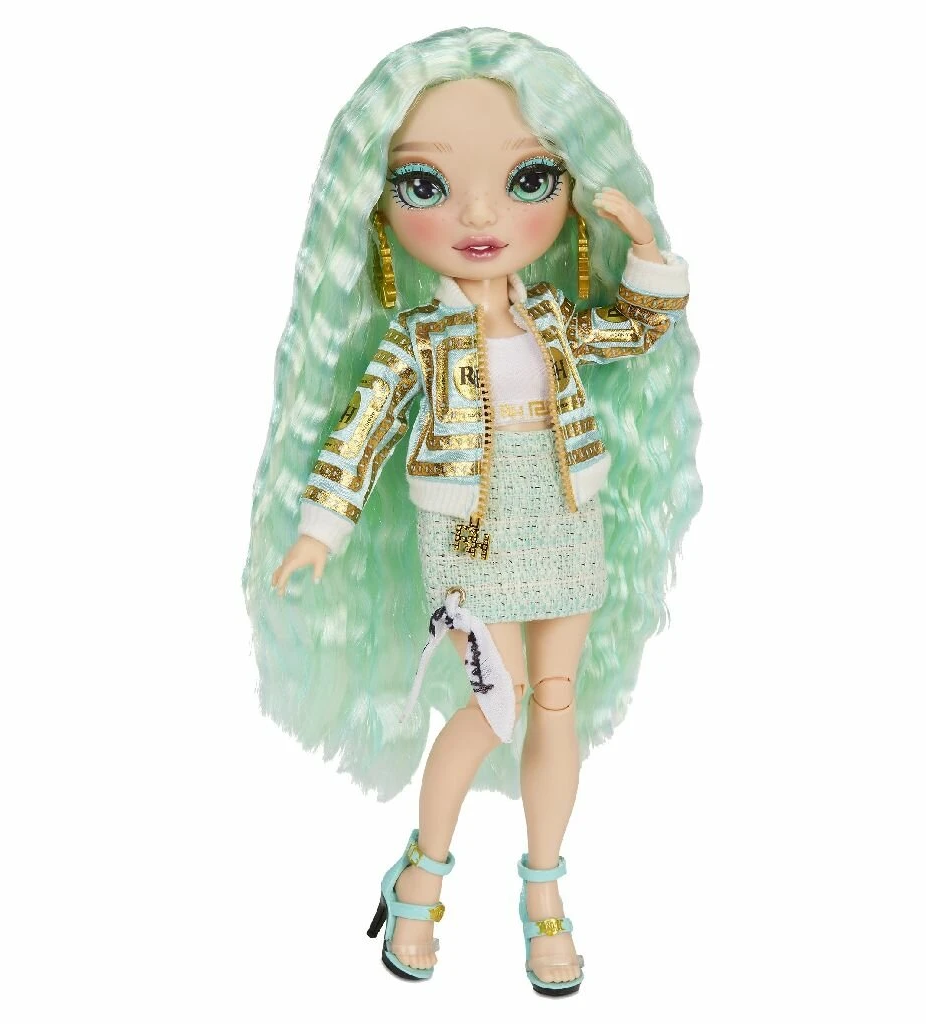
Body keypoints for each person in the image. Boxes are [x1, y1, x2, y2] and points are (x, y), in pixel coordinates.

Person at [242, 26, 701, 995]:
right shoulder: (418, 334)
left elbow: (632, 330)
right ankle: (422, 870)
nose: (480, 214)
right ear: (380, 208)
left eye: (527, 180)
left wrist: (649, 253)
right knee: (494, 704)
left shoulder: (550, 316)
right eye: (427, 185)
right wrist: (320, 529)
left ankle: (545, 891)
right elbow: (365, 426)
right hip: (471, 534)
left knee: (555, 701)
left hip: (565, 515)